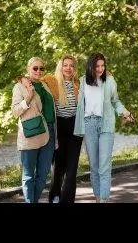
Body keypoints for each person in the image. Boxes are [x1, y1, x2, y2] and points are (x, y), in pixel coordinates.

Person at [73, 53, 134, 203]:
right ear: (90, 66)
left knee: (104, 166)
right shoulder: (82, 81)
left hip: (106, 124)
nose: (100, 69)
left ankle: (104, 200)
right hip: (89, 125)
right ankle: (98, 198)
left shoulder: (110, 80)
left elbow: (116, 101)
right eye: (97, 66)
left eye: (102, 65)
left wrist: (124, 112)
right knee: (94, 166)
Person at [11, 57, 56, 203]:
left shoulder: (45, 85)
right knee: (29, 175)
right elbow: (15, 111)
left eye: (41, 68)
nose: (38, 71)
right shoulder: (20, 87)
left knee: (43, 175)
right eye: (35, 68)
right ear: (28, 68)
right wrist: (28, 98)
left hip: (49, 132)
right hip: (31, 133)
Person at [41, 55, 81, 203]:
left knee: (71, 171)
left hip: (75, 129)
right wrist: (24, 80)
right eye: (65, 65)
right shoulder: (52, 81)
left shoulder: (77, 84)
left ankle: (67, 201)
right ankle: (54, 197)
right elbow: (36, 79)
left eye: (71, 65)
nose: (68, 68)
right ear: (61, 66)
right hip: (59, 129)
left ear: (74, 69)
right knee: (58, 168)